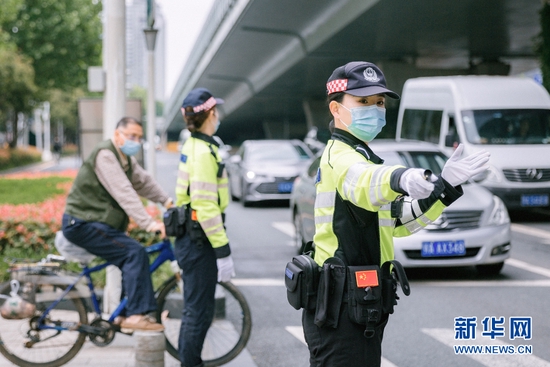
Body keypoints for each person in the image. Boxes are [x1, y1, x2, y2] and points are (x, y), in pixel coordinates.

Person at [302, 61, 490, 366]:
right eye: (363, 102)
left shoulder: (363, 155)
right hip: (341, 308)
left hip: (361, 302)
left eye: (379, 102)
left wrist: (445, 187)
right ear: (336, 110)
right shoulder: (341, 157)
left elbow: (399, 222)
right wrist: (399, 178)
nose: (375, 109)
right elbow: (363, 181)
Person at [62, 117, 172, 331]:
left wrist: (168, 202)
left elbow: (144, 182)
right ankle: (135, 316)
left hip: (94, 222)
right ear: (117, 135)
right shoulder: (106, 155)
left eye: (139, 137)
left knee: (128, 258)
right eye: (131, 136)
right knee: (134, 253)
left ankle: (121, 316)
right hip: (82, 222)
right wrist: (149, 224)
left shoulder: (125, 159)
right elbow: (123, 191)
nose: (136, 141)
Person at [175, 88, 234, 367]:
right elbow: (205, 206)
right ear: (211, 114)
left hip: (195, 238)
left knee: (198, 311)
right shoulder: (202, 152)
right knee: (197, 314)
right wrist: (223, 250)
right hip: (200, 242)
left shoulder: (199, 145)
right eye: (216, 111)